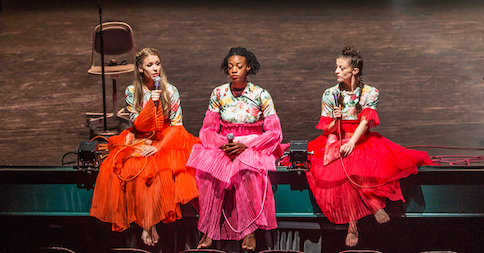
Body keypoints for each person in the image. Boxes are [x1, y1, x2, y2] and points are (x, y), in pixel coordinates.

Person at [306, 46, 432, 248]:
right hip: (336, 137)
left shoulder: (369, 92)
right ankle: (358, 221)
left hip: (359, 137)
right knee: (338, 167)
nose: (336, 71)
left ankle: (360, 218)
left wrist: (352, 142)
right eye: (336, 67)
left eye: (341, 67)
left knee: (356, 162)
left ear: (354, 70)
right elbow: (326, 129)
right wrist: (334, 120)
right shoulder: (330, 94)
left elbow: (365, 122)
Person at [90, 47, 198, 246]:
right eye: (150, 65)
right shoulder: (132, 92)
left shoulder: (171, 90)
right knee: (136, 165)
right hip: (141, 134)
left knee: (158, 166)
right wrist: (150, 105)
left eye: (157, 64)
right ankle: (148, 225)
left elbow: (177, 124)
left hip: (168, 136)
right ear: (140, 69)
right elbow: (137, 124)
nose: (155, 68)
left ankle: (150, 223)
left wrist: (159, 146)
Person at [186, 47, 284, 252]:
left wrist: (246, 145)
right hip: (225, 143)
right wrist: (222, 144)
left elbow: (274, 132)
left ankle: (249, 230)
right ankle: (208, 229)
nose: (234, 70)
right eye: (230, 66)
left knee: (246, 170)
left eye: (239, 66)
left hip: (253, 143)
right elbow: (207, 129)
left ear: (248, 67)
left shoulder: (260, 94)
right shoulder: (219, 93)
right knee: (209, 173)